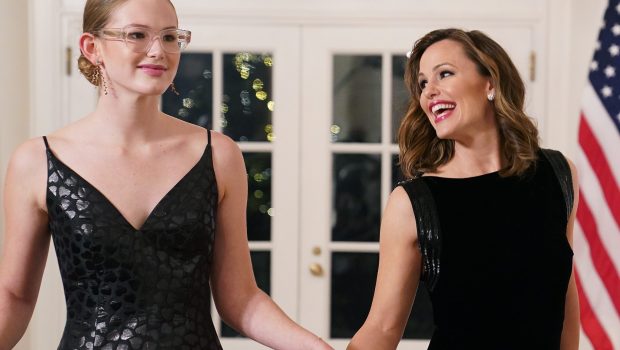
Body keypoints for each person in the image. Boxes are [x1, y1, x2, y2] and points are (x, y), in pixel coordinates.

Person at [0, 0, 332, 349]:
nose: (158, 51)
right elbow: (15, 297)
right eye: (137, 35)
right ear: (91, 47)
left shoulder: (218, 155)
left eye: (170, 37)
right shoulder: (37, 160)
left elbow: (241, 300)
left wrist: (317, 348)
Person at [347, 28, 580, 350]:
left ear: (490, 82)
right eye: (423, 83)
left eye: (444, 73)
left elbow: (565, 293)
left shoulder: (559, 173)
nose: (429, 91)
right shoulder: (412, 203)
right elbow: (383, 328)